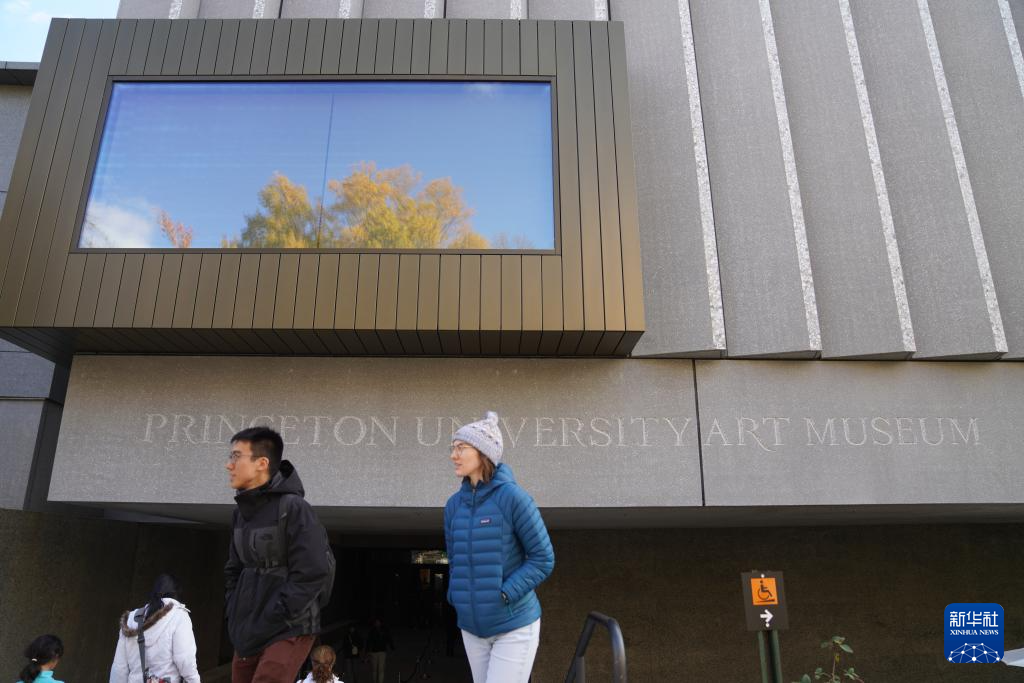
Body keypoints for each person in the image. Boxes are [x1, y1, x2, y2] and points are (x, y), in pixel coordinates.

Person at [444, 411, 555, 683]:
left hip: (513, 625)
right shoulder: (453, 506)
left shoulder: (513, 498)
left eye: (461, 448)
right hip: (472, 628)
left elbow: (542, 558)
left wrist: (504, 594)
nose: (453, 455)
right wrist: (455, 596)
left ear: (483, 452)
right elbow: (455, 560)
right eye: (453, 448)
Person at [224, 426, 334, 683]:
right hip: (247, 629)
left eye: (236, 456)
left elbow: (314, 570)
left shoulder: (295, 508)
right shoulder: (240, 514)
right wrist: (234, 609)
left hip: (288, 626)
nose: (229, 465)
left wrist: (278, 612)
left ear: (262, 463)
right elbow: (233, 569)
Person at [110, 574, 200, 683]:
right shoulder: (179, 616)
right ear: (177, 593)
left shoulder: (132, 618)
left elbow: (119, 668)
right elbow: (185, 660)